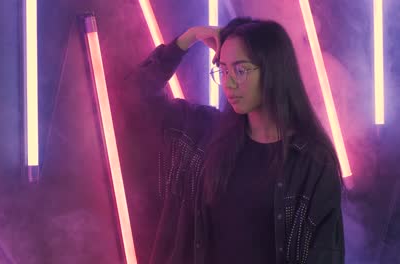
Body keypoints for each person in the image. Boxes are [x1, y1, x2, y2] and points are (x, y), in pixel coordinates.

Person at [123, 17, 345, 264]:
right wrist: (188, 38)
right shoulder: (205, 134)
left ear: (273, 70)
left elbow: (325, 254)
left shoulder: (312, 163)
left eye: (240, 70)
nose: (228, 83)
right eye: (224, 70)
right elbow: (135, 95)